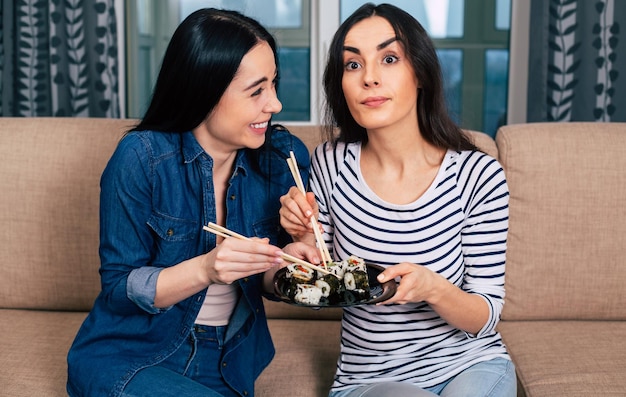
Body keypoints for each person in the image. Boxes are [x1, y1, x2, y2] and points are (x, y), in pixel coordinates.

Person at [66, 8, 319, 397]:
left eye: (273, 84)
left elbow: (267, 282)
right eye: (257, 91)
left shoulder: (281, 157)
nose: (275, 104)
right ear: (205, 89)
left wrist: (295, 260)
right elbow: (118, 287)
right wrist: (205, 268)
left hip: (230, 357)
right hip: (133, 355)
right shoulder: (142, 158)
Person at [279, 3, 516, 397]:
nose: (369, 78)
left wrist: (433, 289)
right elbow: (322, 270)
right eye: (352, 65)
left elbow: (484, 318)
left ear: (421, 72)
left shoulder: (479, 176)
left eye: (389, 58)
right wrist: (303, 239)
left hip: (470, 363)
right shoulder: (330, 164)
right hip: (371, 380)